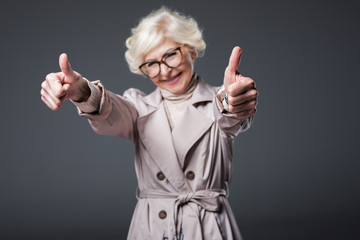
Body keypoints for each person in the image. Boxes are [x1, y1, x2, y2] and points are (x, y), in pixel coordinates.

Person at [40, 7, 258, 240]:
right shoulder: (138, 107)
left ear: (192, 50)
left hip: (208, 227)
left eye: (171, 54)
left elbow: (228, 113)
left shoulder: (218, 101)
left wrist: (232, 100)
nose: (164, 70)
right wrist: (82, 91)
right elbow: (110, 111)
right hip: (153, 228)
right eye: (151, 64)